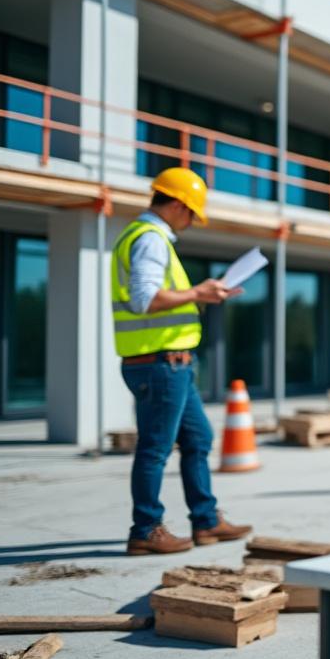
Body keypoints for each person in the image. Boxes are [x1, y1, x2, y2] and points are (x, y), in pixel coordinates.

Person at [114, 167, 253, 556]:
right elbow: (144, 300)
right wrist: (197, 291)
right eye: (191, 212)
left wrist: (202, 295)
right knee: (155, 448)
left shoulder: (144, 236)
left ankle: (206, 521)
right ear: (176, 204)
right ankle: (145, 529)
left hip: (168, 363)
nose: (191, 221)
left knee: (198, 439)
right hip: (159, 364)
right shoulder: (151, 240)